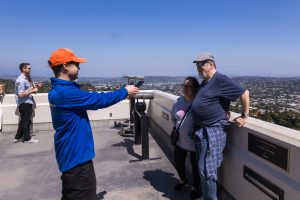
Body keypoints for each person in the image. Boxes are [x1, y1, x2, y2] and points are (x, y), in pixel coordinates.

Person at [47, 48, 139, 200]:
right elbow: (99, 100)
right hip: (77, 160)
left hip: (69, 156)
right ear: (65, 66)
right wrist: (124, 91)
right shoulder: (66, 93)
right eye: (76, 63)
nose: (79, 67)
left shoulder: (56, 91)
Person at [191, 52, 250, 200]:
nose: (198, 69)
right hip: (201, 130)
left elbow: (244, 93)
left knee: (207, 169)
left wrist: (244, 116)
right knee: (202, 168)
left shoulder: (221, 79)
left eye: (201, 65)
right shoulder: (206, 82)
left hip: (212, 131)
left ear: (211, 65)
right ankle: (206, 195)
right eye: (197, 66)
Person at [171, 76, 202, 199]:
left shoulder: (199, 103)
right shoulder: (178, 101)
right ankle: (183, 180)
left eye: (189, 86)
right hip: (180, 140)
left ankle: (194, 187)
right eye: (184, 86)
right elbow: (173, 117)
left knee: (195, 167)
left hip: (195, 143)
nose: (186, 88)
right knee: (178, 162)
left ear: (195, 88)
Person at [13, 63, 40, 143]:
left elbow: (26, 90)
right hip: (24, 102)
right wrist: (33, 90)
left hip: (26, 102)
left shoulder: (25, 79)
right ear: (23, 69)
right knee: (26, 121)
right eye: (28, 68)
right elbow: (21, 94)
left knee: (23, 121)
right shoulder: (21, 80)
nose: (30, 70)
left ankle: (17, 137)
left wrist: (35, 87)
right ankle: (27, 138)